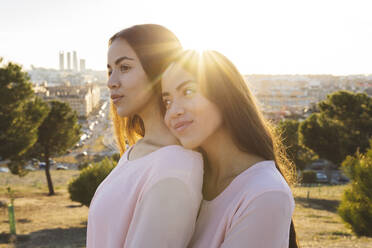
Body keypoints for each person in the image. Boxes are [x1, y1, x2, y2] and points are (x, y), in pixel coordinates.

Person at [161, 50, 300, 248]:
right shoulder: (188, 179)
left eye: (188, 91)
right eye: (167, 101)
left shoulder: (265, 193)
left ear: (224, 94)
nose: (174, 111)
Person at [86, 25, 204, 248]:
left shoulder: (175, 167)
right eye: (110, 70)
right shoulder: (137, 151)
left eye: (125, 67)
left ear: (158, 71)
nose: (111, 81)